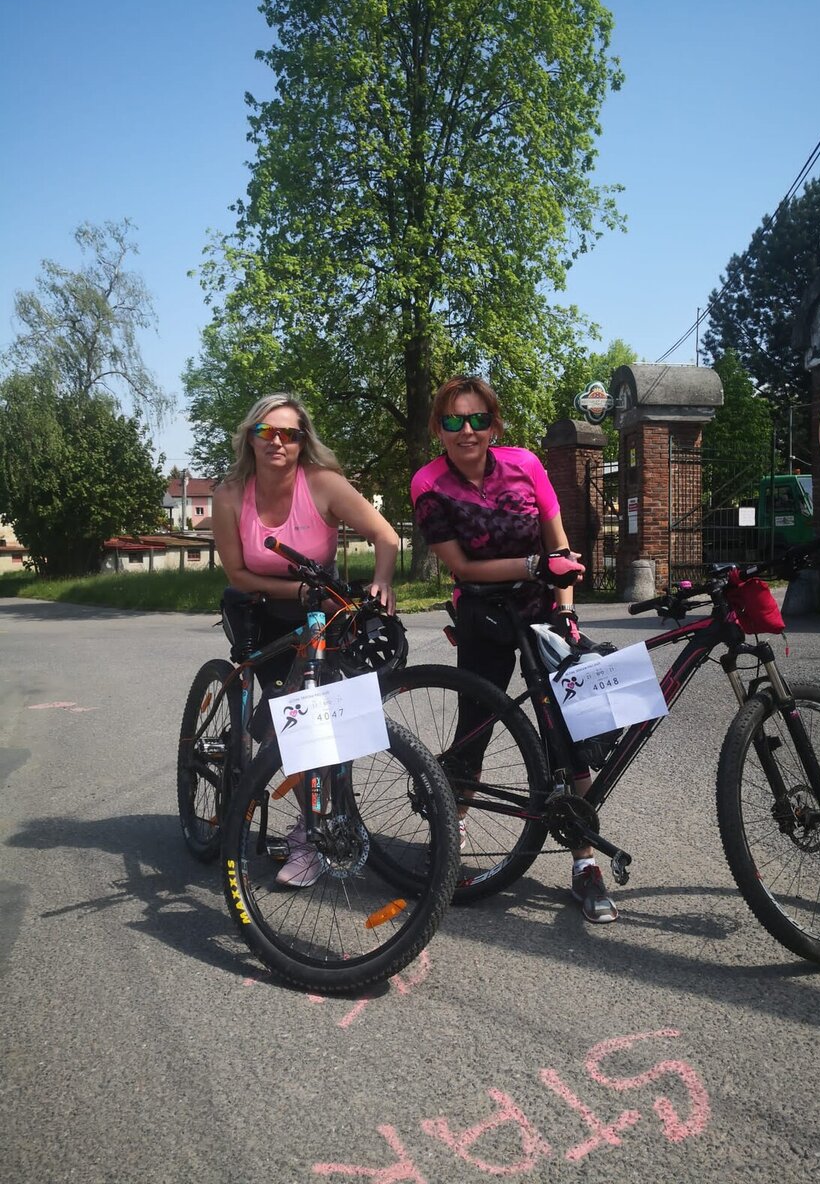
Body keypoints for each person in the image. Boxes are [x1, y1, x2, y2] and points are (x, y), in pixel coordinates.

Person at [410, 374, 618, 924]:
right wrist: (534, 566)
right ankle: (448, 837)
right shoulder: (429, 484)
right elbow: (462, 566)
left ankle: (584, 861)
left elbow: (560, 547)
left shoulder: (526, 465)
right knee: (473, 732)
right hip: (484, 614)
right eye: (454, 420)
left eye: (478, 419)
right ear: (439, 428)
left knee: (568, 736)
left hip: (544, 610)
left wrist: (566, 612)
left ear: (494, 424)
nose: (467, 430)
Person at [213, 392, 400, 887]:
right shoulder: (230, 495)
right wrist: (293, 591)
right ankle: (309, 833)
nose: (276, 441)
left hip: (325, 611)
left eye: (288, 434)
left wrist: (382, 582)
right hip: (265, 610)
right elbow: (236, 573)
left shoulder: (323, 483)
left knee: (330, 722)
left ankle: (324, 815)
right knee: (288, 727)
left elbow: (387, 536)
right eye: (266, 431)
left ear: (302, 442)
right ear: (249, 438)